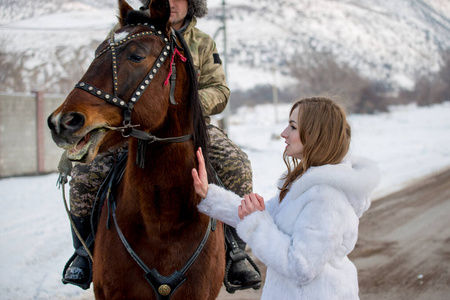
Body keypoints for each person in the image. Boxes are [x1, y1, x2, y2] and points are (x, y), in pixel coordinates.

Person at [61, 0, 261, 291]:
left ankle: (235, 251)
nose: (171, 2)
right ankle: (84, 253)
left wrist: (186, 106)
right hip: (129, 126)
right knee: (84, 175)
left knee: (236, 164)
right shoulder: (127, 34)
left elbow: (220, 90)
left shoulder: (203, 42)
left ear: (192, 4)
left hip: (190, 126)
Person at [192, 96, 381, 299]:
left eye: (292, 127)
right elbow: (256, 214)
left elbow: (301, 267)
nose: (284, 134)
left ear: (314, 134)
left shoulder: (326, 197)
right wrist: (208, 193)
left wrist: (257, 223)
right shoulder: (304, 187)